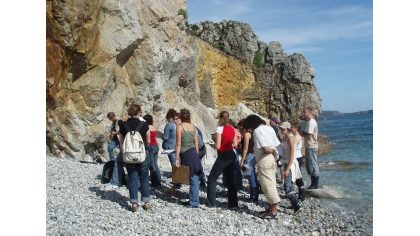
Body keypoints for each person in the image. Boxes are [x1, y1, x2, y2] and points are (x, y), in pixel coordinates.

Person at [243, 114, 280, 219]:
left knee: (267, 184)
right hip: (272, 158)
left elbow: (264, 148)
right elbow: (276, 144)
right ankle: (270, 207)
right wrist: (273, 151)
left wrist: (269, 150)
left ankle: (273, 210)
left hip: (264, 158)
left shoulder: (257, 131)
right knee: (271, 182)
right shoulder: (270, 128)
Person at [117, 103, 152, 212]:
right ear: (139, 112)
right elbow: (148, 139)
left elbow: (121, 140)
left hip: (129, 154)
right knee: (144, 177)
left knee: (132, 177)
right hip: (141, 154)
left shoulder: (124, 125)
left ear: (129, 112)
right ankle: (146, 202)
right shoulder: (144, 124)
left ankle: (134, 204)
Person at [206, 111, 239, 209]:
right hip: (231, 155)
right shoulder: (232, 128)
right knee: (231, 180)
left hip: (223, 155)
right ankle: (233, 204)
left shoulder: (219, 129)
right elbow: (234, 144)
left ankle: (211, 203)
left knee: (212, 178)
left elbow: (218, 146)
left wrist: (211, 144)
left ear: (220, 118)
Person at [175, 109, 203, 208]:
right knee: (193, 177)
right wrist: (197, 155)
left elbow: (178, 144)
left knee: (193, 178)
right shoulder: (194, 127)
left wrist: (177, 158)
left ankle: (194, 202)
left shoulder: (180, 127)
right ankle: (193, 200)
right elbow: (196, 143)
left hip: (186, 154)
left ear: (181, 117)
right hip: (193, 153)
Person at [279, 121, 303, 214]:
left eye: (283, 129)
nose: (281, 130)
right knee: (290, 185)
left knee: (287, 186)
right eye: (281, 128)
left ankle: (297, 206)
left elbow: (293, 154)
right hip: (286, 163)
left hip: (291, 164)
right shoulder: (285, 137)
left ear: (287, 129)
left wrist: (288, 169)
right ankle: (294, 204)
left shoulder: (290, 138)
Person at [238, 119, 259, 203]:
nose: (238, 128)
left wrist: (242, 160)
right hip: (252, 156)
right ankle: (254, 196)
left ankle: (253, 197)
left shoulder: (247, 134)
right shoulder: (252, 133)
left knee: (251, 177)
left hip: (248, 157)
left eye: (239, 127)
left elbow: (246, 148)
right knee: (252, 176)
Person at [103, 112, 124, 190]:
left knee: (110, 148)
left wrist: (114, 133)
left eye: (111, 119)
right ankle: (114, 161)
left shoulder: (120, 121)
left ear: (113, 117)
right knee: (110, 148)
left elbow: (122, 130)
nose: (110, 120)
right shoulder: (115, 122)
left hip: (118, 138)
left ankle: (113, 161)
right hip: (116, 138)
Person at [163, 109, 182, 192]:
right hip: (179, 147)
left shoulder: (169, 125)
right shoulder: (179, 124)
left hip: (170, 148)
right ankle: (179, 181)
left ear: (169, 117)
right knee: (178, 163)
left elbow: (165, 137)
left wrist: (161, 136)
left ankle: (177, 183)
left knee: (174, 165)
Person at [301, 107, 320, 190]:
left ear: (309, 113)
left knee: (313, 164)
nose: (303, 114)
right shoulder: (309, 122)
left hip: (311, 145)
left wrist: (301, 133)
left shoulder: (311, 122)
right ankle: (313, 183)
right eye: (303, 112)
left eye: (305, 112)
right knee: (310, 164)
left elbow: (309, 135)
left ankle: (315, 184)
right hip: (309, 145)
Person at [144, 114, 161, 187]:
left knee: (152, 165)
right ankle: (158, 181)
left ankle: (155, 182)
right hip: (156, 146)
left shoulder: (146, 128)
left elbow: (147, 139)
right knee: (155, 164)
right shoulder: (153, 127)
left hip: (150, 146)